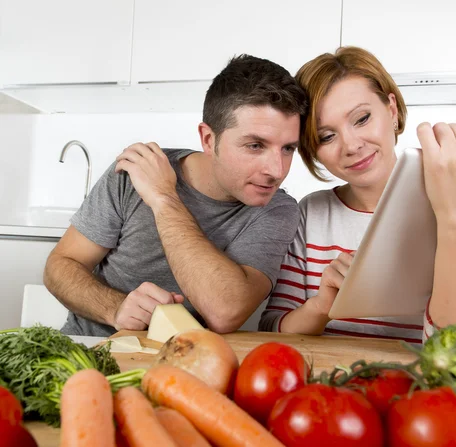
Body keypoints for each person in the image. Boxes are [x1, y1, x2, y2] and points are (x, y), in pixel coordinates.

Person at [259, 47, 456, 343]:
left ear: (391, 110)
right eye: (327, 136)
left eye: (362, 118)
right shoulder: (311, 213)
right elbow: (272, 330)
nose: (351, 145)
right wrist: (322, 307)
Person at [44, 55, 308, 337]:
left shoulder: (277, 209)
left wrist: (164, 199)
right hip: (87, 348)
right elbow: (60, 266)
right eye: (255, 145)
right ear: (208, 139)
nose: (276, 170)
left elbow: (226, 312)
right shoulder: (138, 172)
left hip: (185, 364)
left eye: (288, 148)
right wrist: (115, 308)